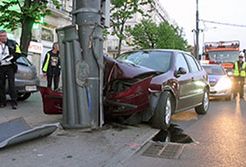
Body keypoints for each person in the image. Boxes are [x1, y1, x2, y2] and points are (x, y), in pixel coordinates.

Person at [0, 30, 21, 109]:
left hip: (10, 66)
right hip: (1, 67)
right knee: (1, 85)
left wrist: (11, 59)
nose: (3, 37)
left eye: (4, 36)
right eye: (1, 36)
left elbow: (18, 53)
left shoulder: (13, 43)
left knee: (11, 84)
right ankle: (2, 102)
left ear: (6, 36)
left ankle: (14, 103)